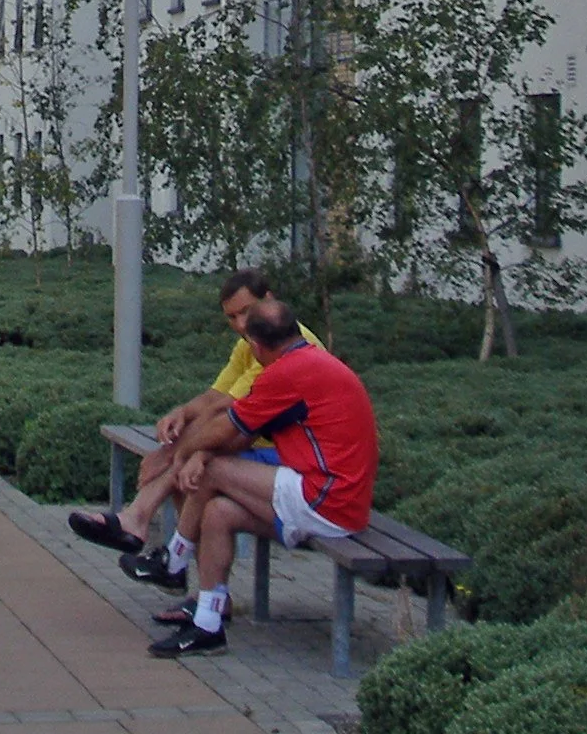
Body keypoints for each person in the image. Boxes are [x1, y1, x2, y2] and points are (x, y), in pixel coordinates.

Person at [66, 269, 322, 592]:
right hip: (265, 448)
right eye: (232, 316)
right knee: (189, 473)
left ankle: (148, 531)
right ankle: (199, 594)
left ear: (269, 300)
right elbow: (216, 396)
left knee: (196, 471)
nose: (241, 325)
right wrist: (181, 413)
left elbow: (228, 409)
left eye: (246, 311)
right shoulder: (250, 343)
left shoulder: (281, 346)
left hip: (299, 468)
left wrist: (173, 453)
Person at [149, 302, 378, 657]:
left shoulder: (285, 374)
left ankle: (173, 560)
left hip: (326, 500)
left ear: (255, 345)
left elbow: (225, 428)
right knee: (219, 513)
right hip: (338, 500)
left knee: (211, 473)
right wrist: (199, 453)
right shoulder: (310, 362)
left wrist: (176, 455)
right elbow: (239, 434)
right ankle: (207, 625)